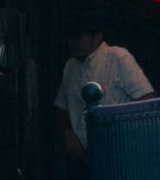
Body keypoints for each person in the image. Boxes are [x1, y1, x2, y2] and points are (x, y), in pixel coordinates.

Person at [56, 24, 154, 155]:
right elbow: (61, 107)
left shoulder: (118, 57)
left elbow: (147, 99)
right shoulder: (70, 66)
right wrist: (68, 134)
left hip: (120, 148)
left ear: (97, 38)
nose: (74, 42)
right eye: (71, 38)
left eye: (79, 37)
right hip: (82, 153)